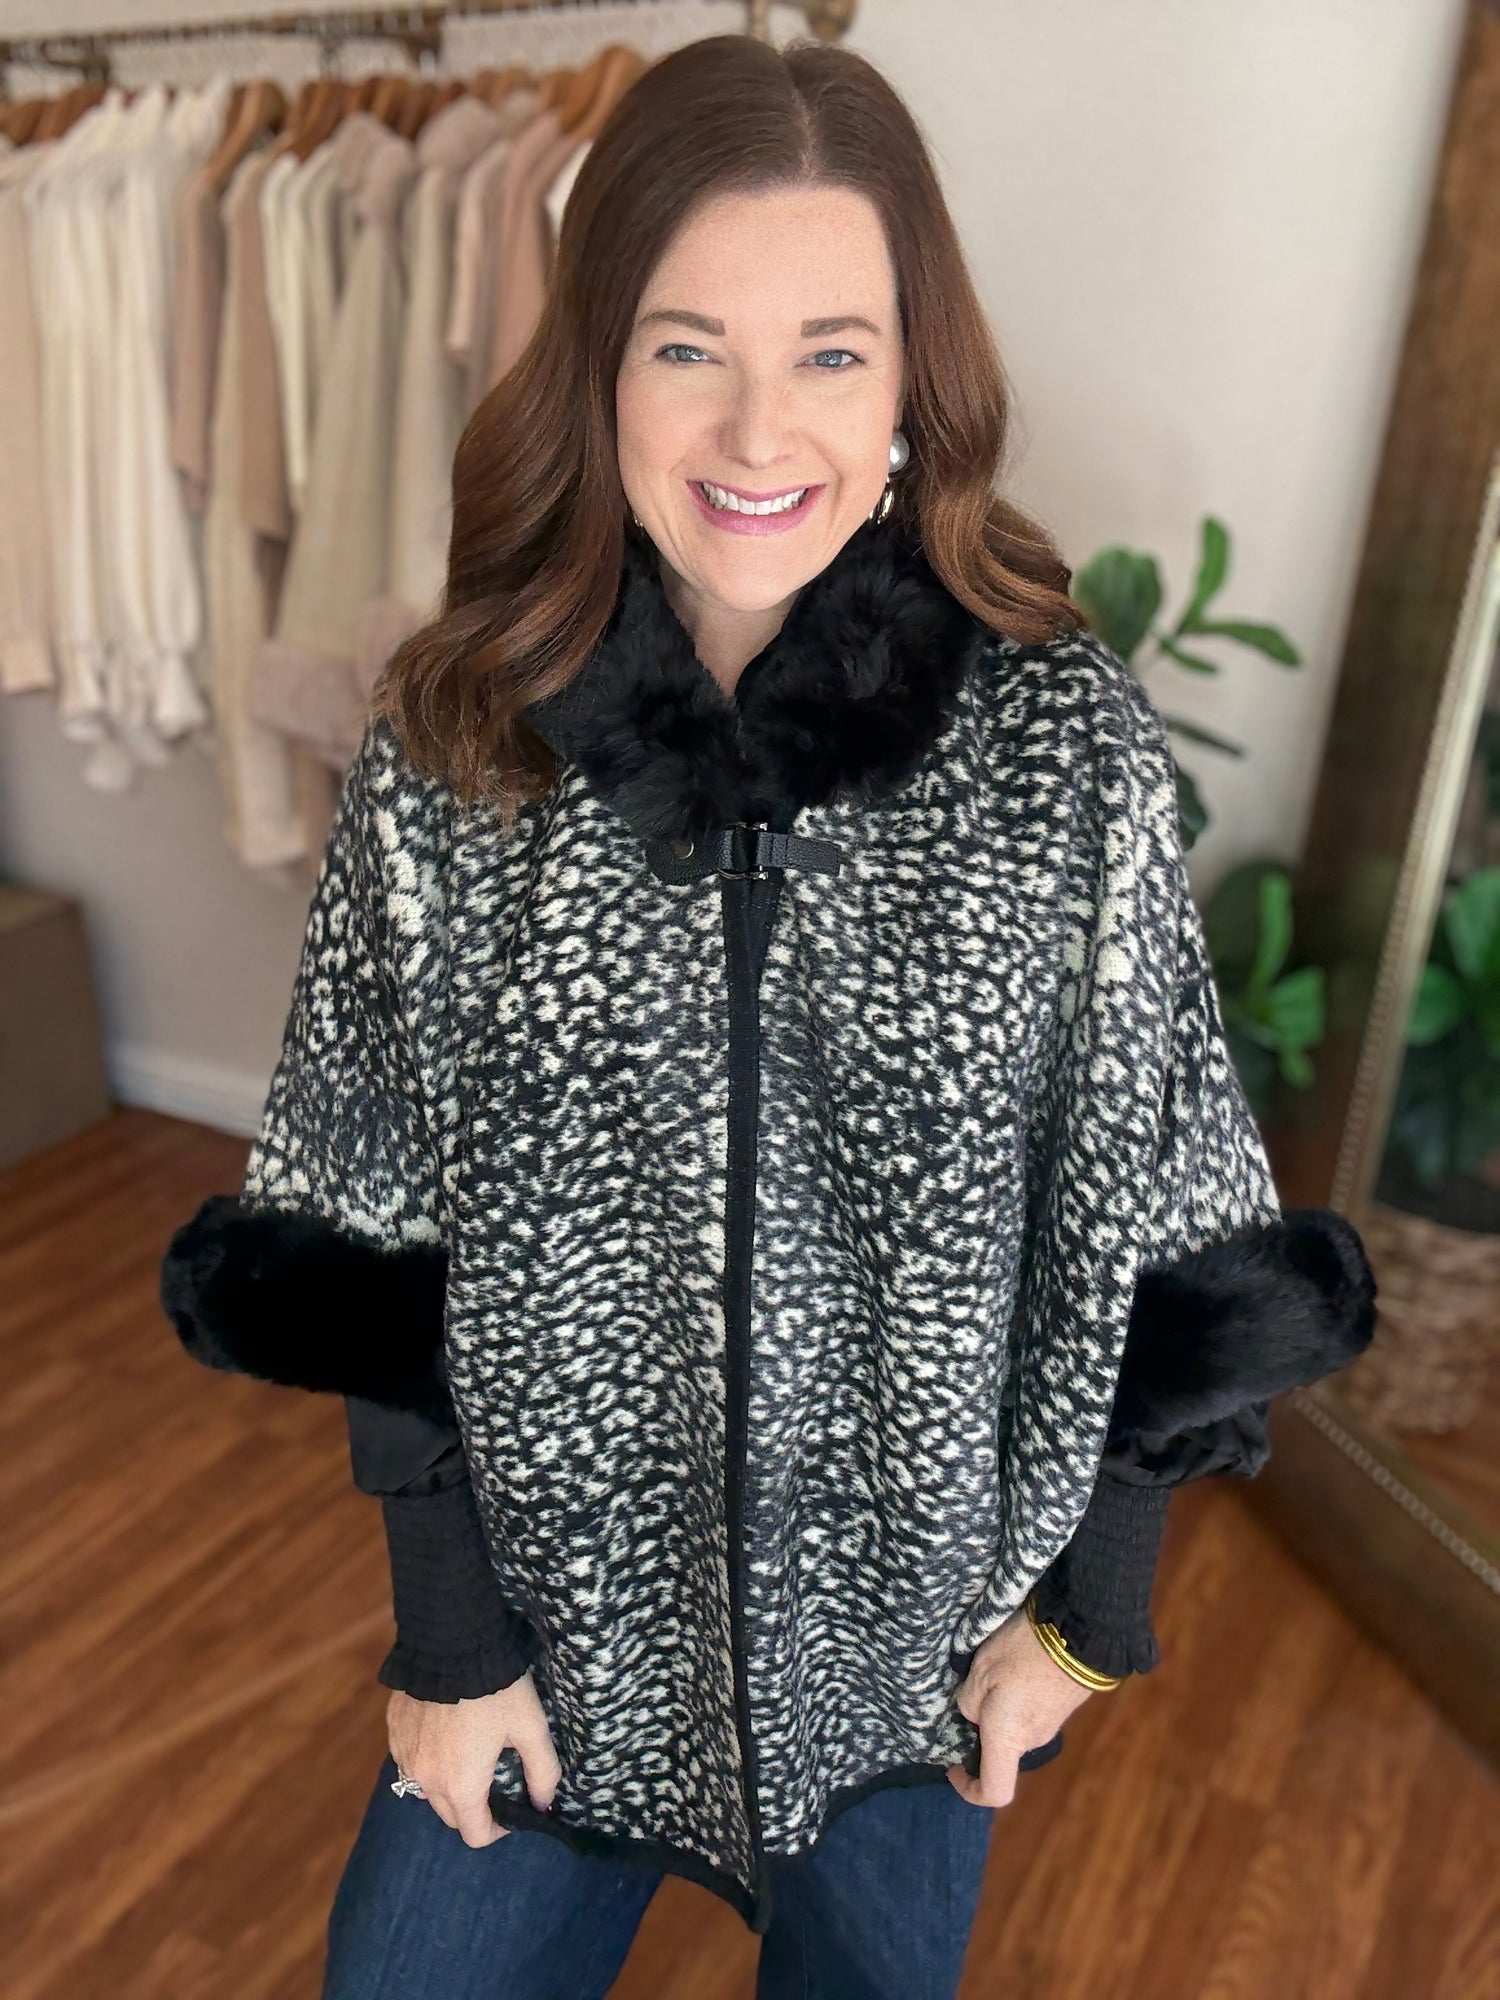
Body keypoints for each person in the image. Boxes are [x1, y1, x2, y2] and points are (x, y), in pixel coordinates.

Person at [160, 33, 1376, 2000]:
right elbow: (369, 1226)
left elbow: (1167, 1206)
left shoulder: (1054, 746)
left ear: (909, 386)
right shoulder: (460, 750)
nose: (757, 425)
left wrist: (1088, 1622)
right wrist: (450, 1638)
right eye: (685, 345)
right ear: (598, 368)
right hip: (551, 1642)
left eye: (829, 350)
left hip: (910, 1662)